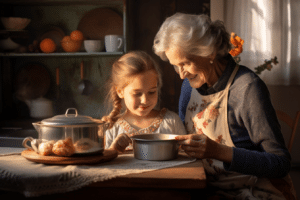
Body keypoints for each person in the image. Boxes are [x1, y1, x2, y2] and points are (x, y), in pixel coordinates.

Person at [153, 13, 296, 199]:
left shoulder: (247, 88)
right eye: (175, 66)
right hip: (209, 188)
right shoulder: (189, 86)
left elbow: (280, 163)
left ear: (210, 52)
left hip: (255, 191)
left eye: (186, 63)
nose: (181, 75)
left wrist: (218, 151)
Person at [102, 50, 186, 152]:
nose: (145, 100)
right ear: (120, 92)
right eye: (137, 94)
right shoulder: (112, 128)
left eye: (151, 92)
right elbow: (105, 165)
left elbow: (187, 158)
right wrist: (113, 150)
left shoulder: (171, 122)